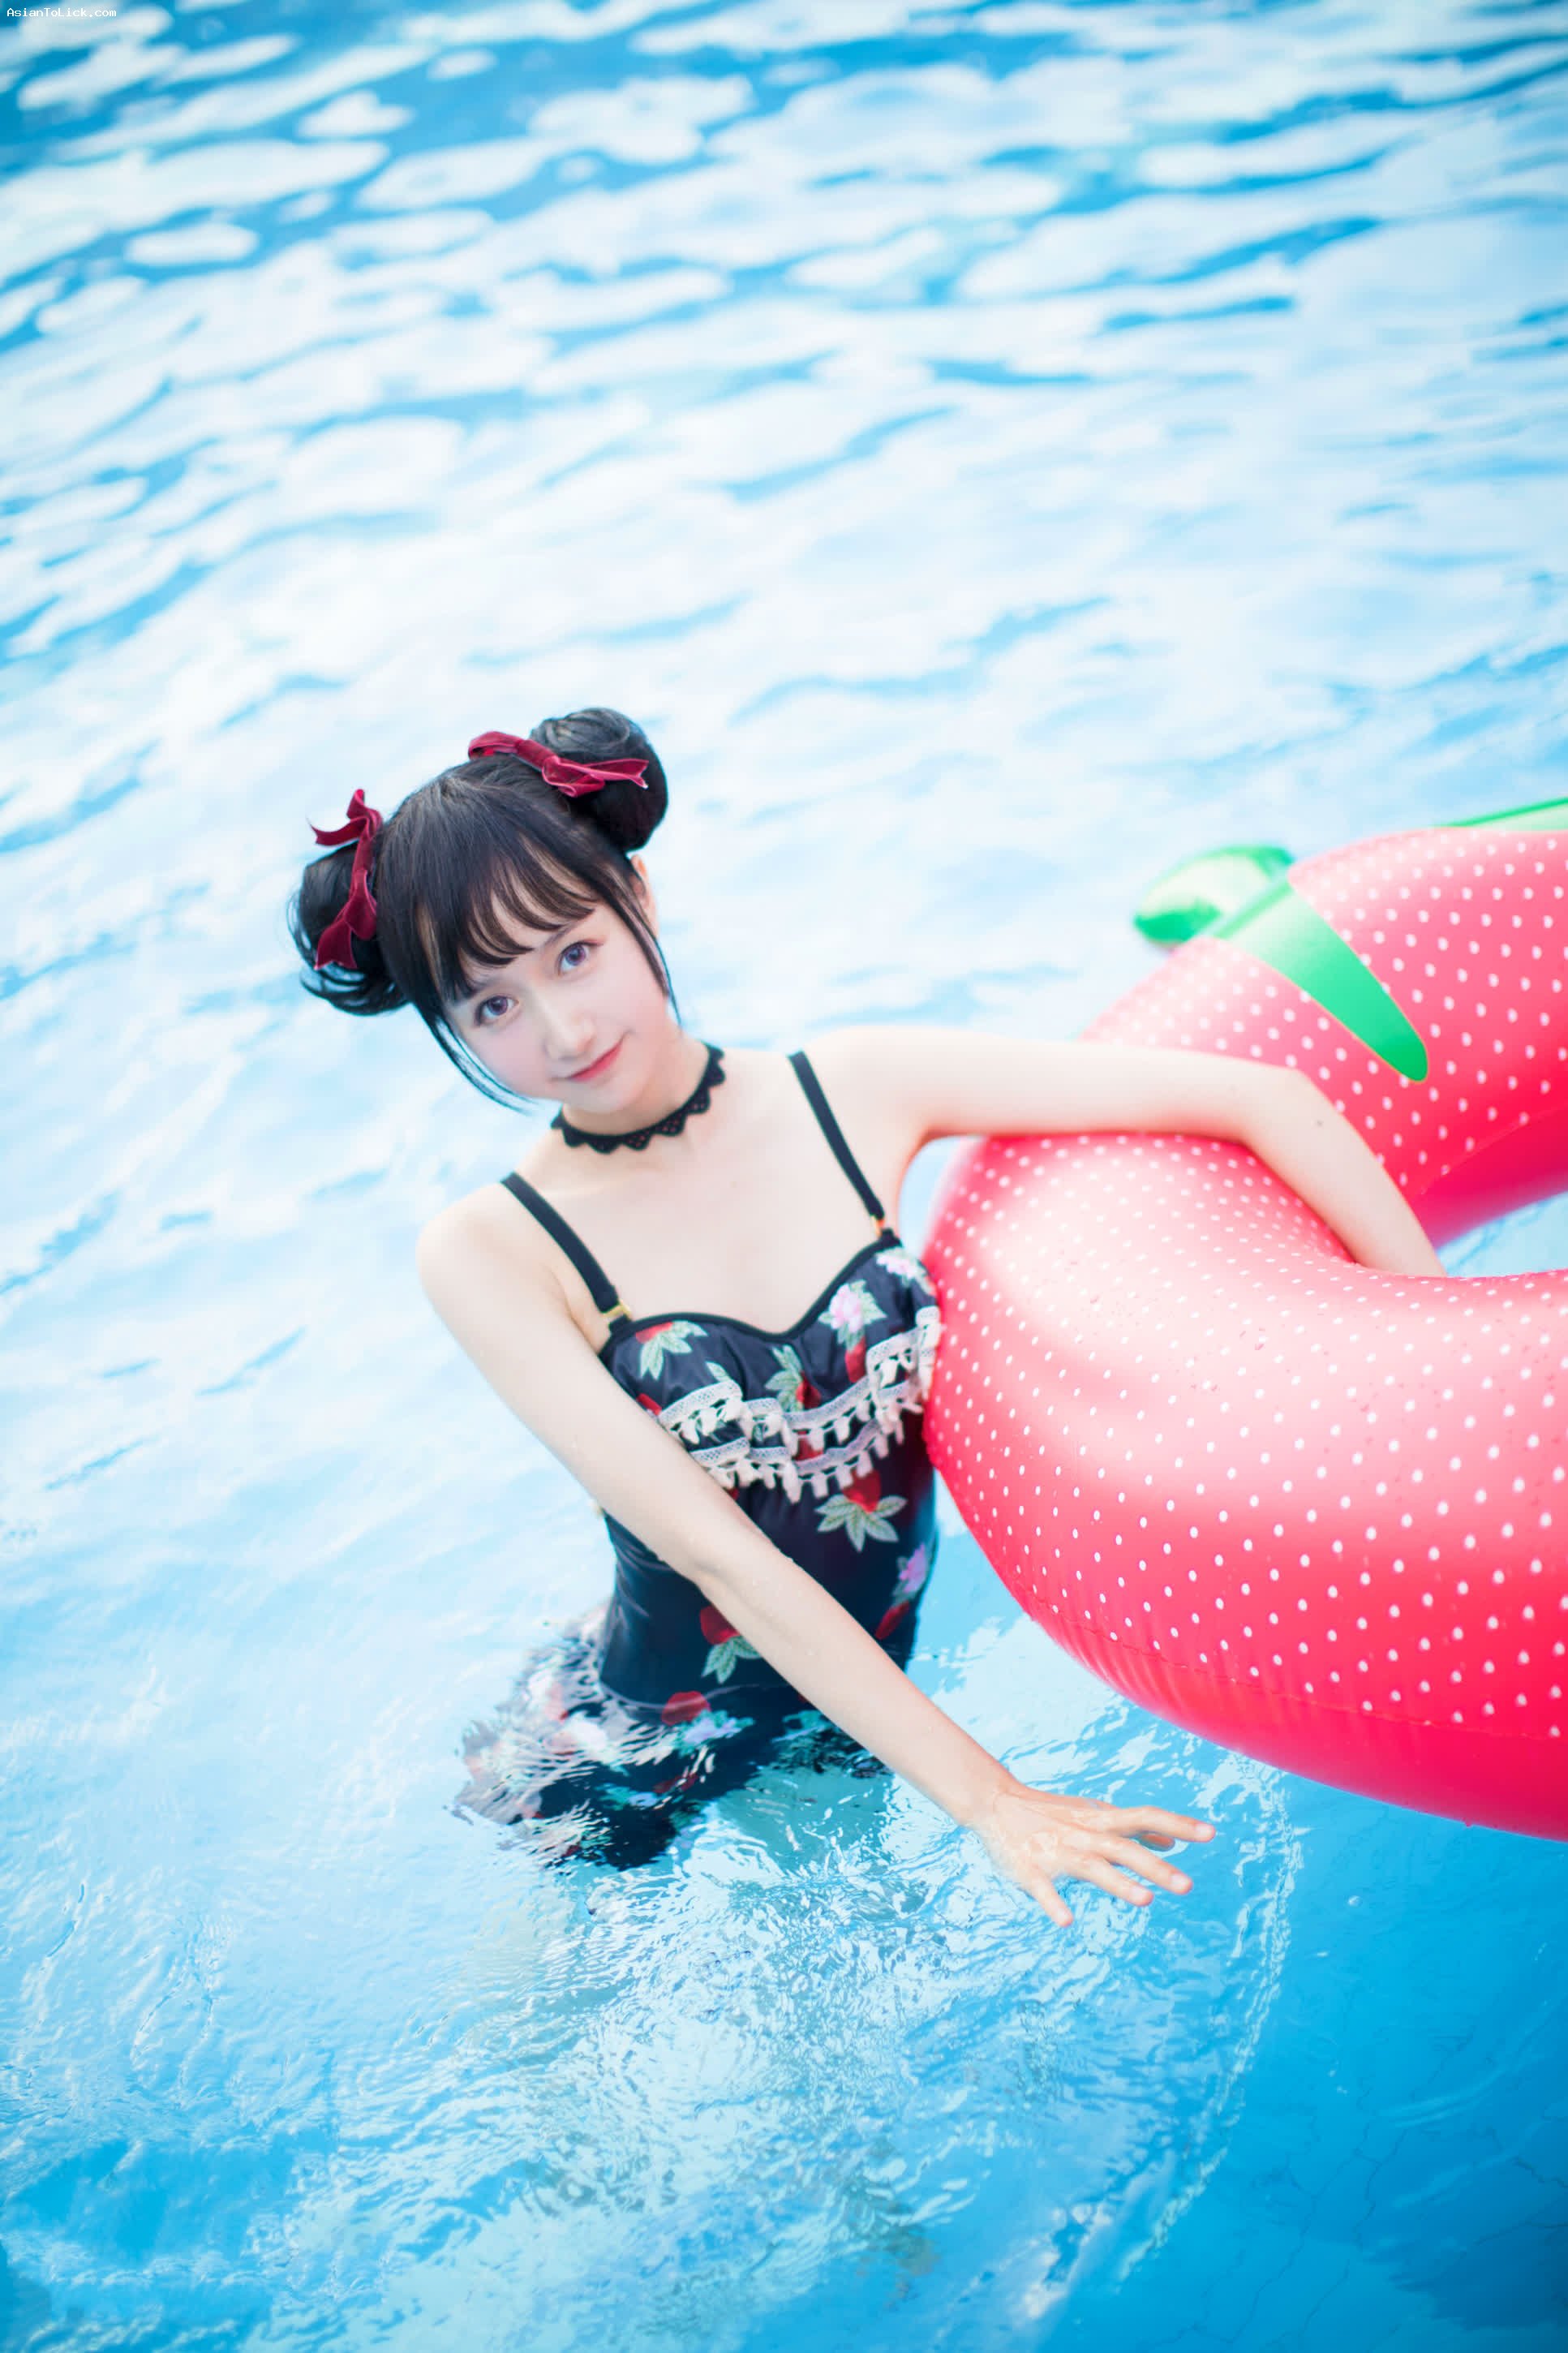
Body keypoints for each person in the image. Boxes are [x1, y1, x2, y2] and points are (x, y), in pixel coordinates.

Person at [289, 708, 1446, 1924]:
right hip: (619, 1746)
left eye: (574, 953)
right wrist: (994, 1800)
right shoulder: (494, 1250)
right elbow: (718, 1555)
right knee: (551, 2040)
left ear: (639, 898)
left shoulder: (851, 1094)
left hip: (861, 1706)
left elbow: (1263, 1099)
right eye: (492, 1007)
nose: (562, 1031)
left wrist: (1437, 1378)